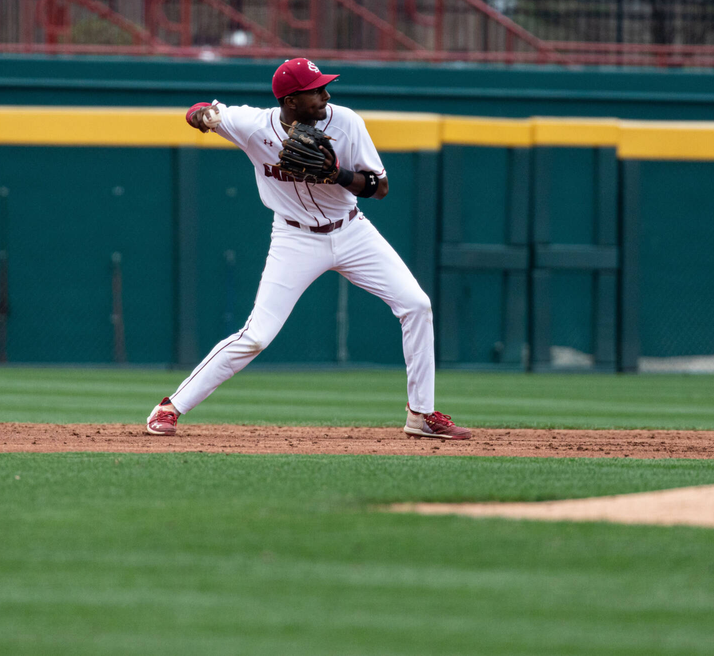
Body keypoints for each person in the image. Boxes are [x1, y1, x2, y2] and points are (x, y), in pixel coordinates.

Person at [145, 58, 472, 440]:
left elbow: (379, 188)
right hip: (294, 239)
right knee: (256, 336)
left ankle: (421, 414)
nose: (326, 95)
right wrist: (204, 117)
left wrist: (337, 174)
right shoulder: (253, 126)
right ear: (291, 101)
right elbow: (197, 112)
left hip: (352, 232)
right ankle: (169, 408)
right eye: (316, 90)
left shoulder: (346, 121)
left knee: (417, 306)